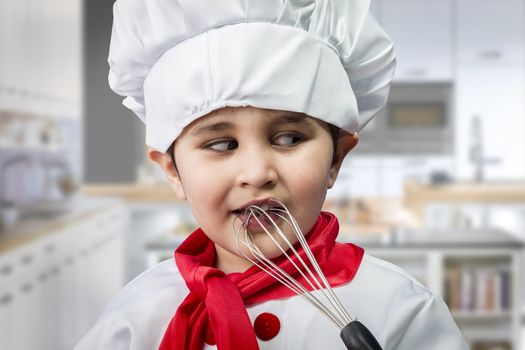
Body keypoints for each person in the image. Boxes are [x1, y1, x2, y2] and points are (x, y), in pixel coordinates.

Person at [76, 0, 469, 349]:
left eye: (289, 137)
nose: (256, 173)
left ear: (336, 160)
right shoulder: (134, 319)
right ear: (173, 171)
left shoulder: (402, 311)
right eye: (221, 144)